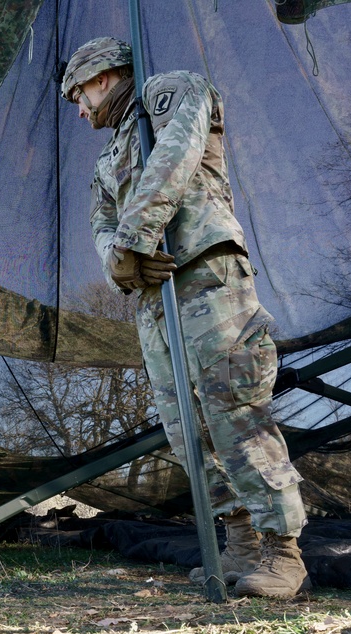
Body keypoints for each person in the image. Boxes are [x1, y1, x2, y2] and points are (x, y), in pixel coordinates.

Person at [62, 37, 309, 598]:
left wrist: (135, 235)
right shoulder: (105, 162)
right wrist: (119, 264)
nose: (79, 111)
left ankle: (284, 553)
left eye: (78, 95)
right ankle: (241, 540)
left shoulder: (167, 92)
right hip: (156, 299)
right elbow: (101, 225)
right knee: (186, 430)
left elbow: (178, 150)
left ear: (102, 75)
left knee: (232, 407)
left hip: (205, 274)